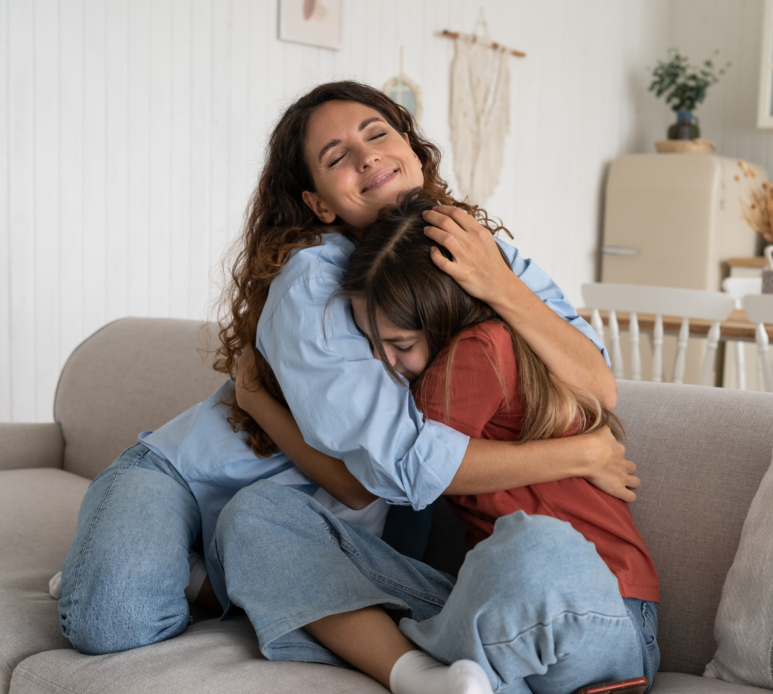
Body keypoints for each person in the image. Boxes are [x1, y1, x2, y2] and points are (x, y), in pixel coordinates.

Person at [57, 80, 639, 656]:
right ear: (318, 202)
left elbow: (598, 386)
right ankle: (135, 562)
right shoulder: (316, 276)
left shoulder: (483, 250)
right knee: (112, 621)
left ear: (413, 148)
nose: (367, 156)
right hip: (197, 474)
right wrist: (582, 454)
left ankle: (204, 577)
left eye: (379, 133)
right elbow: (391, 471)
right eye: (336, 157)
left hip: (308, 523)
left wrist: (499, 286)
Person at [225, 193, 659, 694]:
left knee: (535, 545)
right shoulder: (461, 358)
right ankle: (440, 677)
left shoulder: (476, 351)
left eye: (401, 345)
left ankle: (420, 655)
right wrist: (581, 453)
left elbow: (406, 479)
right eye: (371, 345)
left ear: (442, 314)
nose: (386, 363)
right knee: (256, 515)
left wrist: (259, 403)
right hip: (494, 615)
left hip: (601, 610)